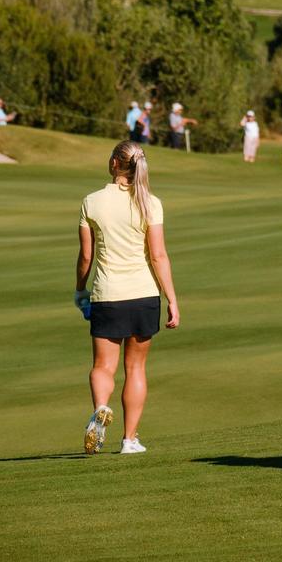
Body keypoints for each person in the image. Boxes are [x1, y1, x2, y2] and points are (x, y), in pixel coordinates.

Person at [75, 141, 181, 455]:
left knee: (103, 367)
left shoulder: (91, 202)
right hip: (145, 295)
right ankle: (129, 440)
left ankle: (101, 408)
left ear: (113, 164)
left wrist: (80, 291)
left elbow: (85, 257)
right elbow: (159, 256)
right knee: (135, 369)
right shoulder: (151, 203)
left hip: (107, 295)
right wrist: (172, 299)